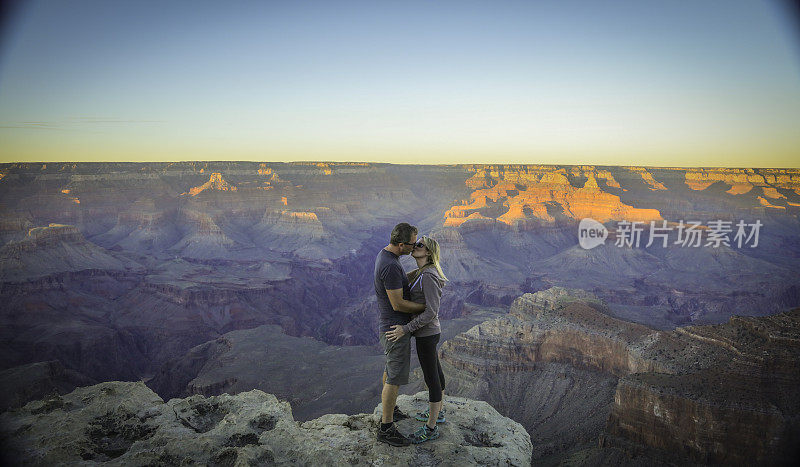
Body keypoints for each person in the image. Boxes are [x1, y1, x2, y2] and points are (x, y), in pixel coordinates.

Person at [385, 234, 447, 444]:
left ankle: (431, 428)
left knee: (431, 378)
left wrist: (405, 329)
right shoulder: (423, 272)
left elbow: (431, 312)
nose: (414, 246)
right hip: (429, 333)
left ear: (427, 252)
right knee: (436, 372)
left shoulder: (428, 275)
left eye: (419, 245)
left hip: (426, 334)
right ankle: (438, 414)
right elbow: (401, 281)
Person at [374, 222, 426, 447]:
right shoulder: (391, 266)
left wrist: (422, 271)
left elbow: (401, 281)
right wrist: (425, 309)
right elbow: (397, 304)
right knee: (394, 377)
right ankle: (386, 428)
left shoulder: (387, 257)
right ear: (402, 244)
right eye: (413, 244)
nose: (415, 247)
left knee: (390, 369)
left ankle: (391, 410)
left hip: (390, 327)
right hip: (395, 329)